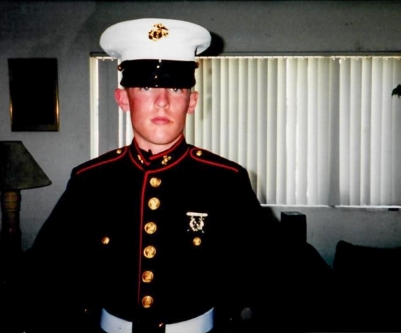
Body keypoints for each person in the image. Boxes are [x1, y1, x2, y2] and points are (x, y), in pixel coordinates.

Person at [22, 18, 274, 333]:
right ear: (123, 99)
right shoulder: (90, 180)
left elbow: (269, 274)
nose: (162, 101)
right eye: (145, 87)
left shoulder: (225, 180)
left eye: (177, 87)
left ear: (191, 102)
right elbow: (46, 272)